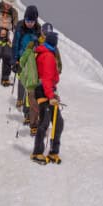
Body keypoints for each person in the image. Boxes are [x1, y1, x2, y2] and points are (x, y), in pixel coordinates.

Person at [31, 29, 63, 165]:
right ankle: (37, 153)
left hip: (46, 91)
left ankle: (53, 151)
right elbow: (47, 79)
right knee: (45, 121)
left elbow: (51, 79)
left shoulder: (45, 53)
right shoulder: (48, 56)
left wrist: (52, 94)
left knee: (58, 122)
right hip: (44, 92)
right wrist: (51, 96)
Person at [11, 5, 40, 126]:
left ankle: (29, 114)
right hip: (21, 60)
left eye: (32, 21)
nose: (29, 23)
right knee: (23, 84)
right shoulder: (20, 28)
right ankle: (24, 110)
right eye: (28, 20)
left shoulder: (38, 30)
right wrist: (15, 61)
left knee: (31, 89)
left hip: (32, 62)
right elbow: (15, 45)